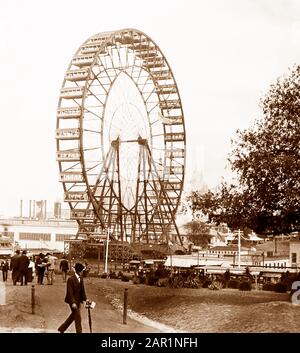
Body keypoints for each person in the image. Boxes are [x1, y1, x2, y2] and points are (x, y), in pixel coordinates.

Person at [57, 263, 88, 333]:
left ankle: (62, 329)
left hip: (78, 301)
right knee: (78, 318)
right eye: (82, 270)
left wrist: (86, 299)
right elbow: (69, 293)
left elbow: (82, 291)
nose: (83, 272)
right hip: (72, 301)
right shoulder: (71, 279)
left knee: (73, 316)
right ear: (79, 271)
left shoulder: (81, 278)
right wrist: (73, 303)